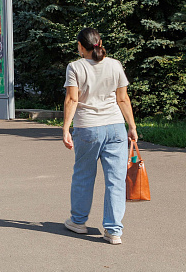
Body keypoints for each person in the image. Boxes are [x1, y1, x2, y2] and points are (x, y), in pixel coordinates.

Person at [62, 28, 137, 245]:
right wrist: (131, 126)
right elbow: (123, 99)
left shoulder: (75, 67)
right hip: (115, 127)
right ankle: (113, 231)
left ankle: (78, 222)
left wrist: (65, 128)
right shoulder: (115, 65)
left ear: (80, 47)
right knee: (116, 179)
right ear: (100, 42)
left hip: (88, 129)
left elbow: (71, 100)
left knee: (84, 175)